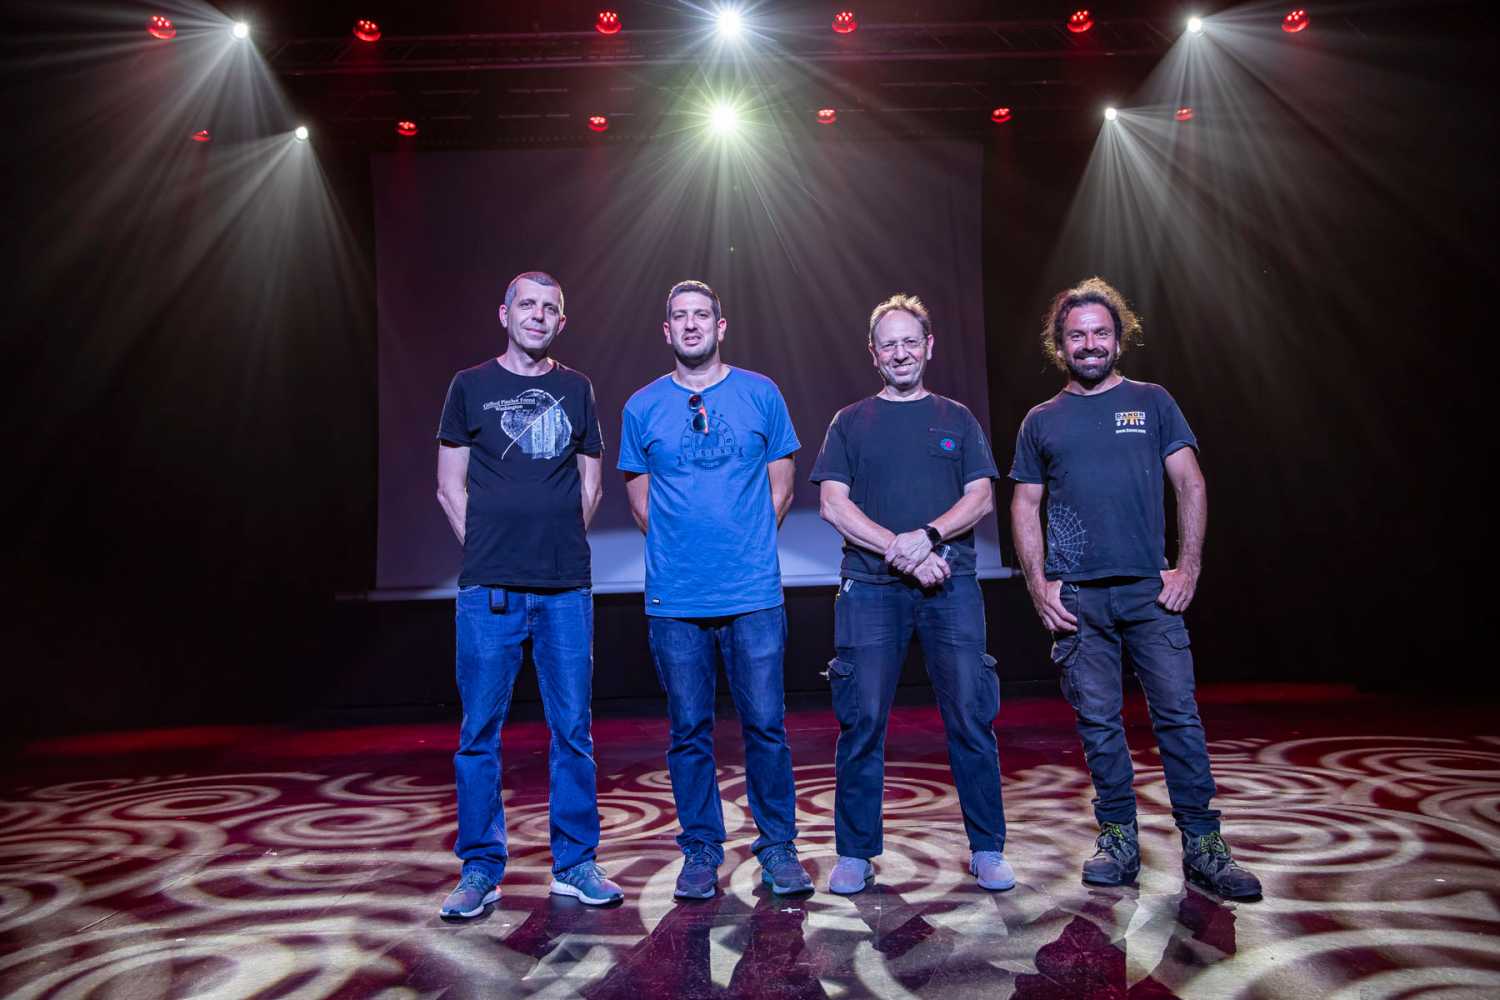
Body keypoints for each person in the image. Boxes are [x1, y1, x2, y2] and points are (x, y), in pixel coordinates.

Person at [1008, 277, 1261, 900]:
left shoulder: (1152, 402)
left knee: (1179, 718)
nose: (1089, 344)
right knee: (1098, 724)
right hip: (1079, 601)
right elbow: (1023, 502)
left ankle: (1204, 845)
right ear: (1059, 345)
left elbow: (1191, 484)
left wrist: (1189, 568)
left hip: (1150, 593)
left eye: (1099, 332)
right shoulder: (1041, 420)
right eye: (1076, 335)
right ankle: (1119, 839)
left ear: (1118, 337)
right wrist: (1040, 586)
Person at [433, 270, 623, 918]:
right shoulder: (470, 386)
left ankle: (574, 864)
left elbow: (591, 486)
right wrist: (487, 546)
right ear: (504, 312)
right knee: (478, 734)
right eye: (528, 304)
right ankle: (481, 870)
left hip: (566, 590)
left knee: (573, 731)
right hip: (488, 592)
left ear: (560, 323)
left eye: (550, 308)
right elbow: (447, 486)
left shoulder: (577, 389)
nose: (538, 315)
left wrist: (552, 547)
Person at [810, 293, 1013, 896]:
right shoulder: (849, 422)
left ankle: (987, 848)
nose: (900, 353)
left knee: (971, 717)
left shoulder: (958, 419)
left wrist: (926, 539)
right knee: (863, 719)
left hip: (951, 586)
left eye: (910, 342)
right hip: (870, 590)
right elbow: (832, 505)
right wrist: (899, 551)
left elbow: (980, 496)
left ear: (929, 348)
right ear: (874, 355)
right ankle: (855, 852)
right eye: (888, 344)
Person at [618, 279, 813, 900]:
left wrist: (744, 544)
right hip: (676, 599)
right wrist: (688, 552)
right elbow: (640, 501)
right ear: (666, 331)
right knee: (687, 731)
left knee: (766, 726)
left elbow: (782, 487)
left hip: (753, 592)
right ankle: (701, 849)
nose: (692, 324)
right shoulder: (642, 406)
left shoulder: (762, 394)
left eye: (703, 315)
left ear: (721, 326)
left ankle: (778, 847)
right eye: (681, 316)